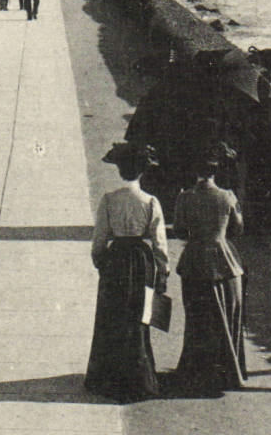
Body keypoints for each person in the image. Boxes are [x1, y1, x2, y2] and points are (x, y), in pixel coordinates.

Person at [86, 144, 169, 402]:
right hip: (140, 260)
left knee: (112, 316)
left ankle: (107, 376)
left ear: (121, 171)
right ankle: (140, 376)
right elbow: (159, 243)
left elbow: (99, 240)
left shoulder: (110, 200)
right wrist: (162, 272)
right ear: (142, 172)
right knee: (138, 317)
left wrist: (102, 262)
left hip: (116, 260)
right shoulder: (150, 202)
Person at [172, 142, 248, 394]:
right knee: (226, 315)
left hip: (194, 261)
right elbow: (238, 229)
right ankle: (226, 370)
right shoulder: (227, 196)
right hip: (223, 262)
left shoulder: (185, 197)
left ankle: (196, 370)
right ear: (216, 172)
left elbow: (180, 230)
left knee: (197, 317)